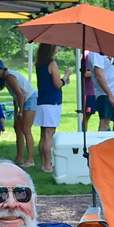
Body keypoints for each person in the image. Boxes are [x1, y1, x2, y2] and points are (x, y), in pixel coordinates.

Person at [33, 42, 73, 173]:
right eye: (56, 46)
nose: (58, 48)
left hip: (42, 100)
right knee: (49, 134)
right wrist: (66, 76)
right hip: (52, 102)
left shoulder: (39, 64)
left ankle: (43, 162)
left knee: (43, 134)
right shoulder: (52, 64)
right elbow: (57, 84)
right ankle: (47, 164)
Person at [0, 59, 36, 167]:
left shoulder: (9, 77)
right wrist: (16, 112)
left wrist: (20, 112)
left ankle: (30, 160)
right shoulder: (4, 78)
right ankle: (19, 157)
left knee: (26, 129)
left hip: (29, 98)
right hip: (21, 100)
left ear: (3, 69)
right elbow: (15, 96)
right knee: (17, 127)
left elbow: (20, 94)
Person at [86, 51, 114, 132]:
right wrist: (110, 95)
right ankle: (103, 144)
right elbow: (99, 74)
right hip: (105, 93)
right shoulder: (96, 53)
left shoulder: (110, 50)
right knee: (105, 122)